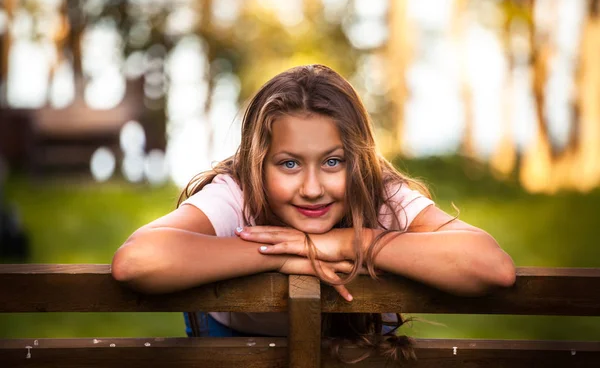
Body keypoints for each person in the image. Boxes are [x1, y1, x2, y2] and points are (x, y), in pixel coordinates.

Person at [111, 64, 515, 361]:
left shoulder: (378, 195)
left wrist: (351, 241)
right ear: (258, 164)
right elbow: (137, 261)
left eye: (333, 162)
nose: (311, 188)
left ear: (357, 160)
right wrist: (291, 253)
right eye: (289, 164)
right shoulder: (238, 193)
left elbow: (491, 267)